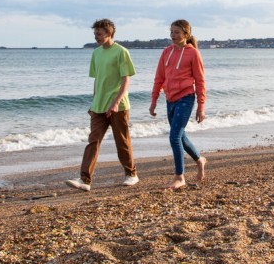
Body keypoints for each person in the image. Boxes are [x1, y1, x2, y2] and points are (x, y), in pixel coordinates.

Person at [67, 19, 139, 191]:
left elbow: (125, 80)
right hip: (98, 106)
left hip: (118, 106)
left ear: (109, 33)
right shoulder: (96, 53)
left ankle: (131, 174)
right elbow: (97, 81)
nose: (96, 37)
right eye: (95, 34)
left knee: (121, 141)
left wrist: (115, 103)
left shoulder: (121, 52)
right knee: (93, 141)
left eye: (99, 34)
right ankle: (85, 180)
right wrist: (94, 102)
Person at [149, 19, 208, 190]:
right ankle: (200, 160)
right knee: (181, 136)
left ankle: (179, 176)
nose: (173, 35)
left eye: (176, 32)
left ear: (186, 34)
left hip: (186, 98)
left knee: (174, 136)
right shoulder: (166, 52)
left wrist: (201, 106)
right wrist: (153, 101)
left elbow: (200, 81)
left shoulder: (193, 53)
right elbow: (159, 78)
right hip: (170, 99)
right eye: (171, 32)